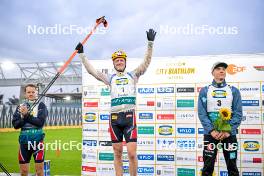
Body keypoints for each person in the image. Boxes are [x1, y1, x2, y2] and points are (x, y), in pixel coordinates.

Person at [76, 29, 156, 176]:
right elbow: (92, 71)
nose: (119, 62)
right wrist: (82, 55)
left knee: (132, 154)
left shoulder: (133, 75)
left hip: (129, 118)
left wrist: (150, 44)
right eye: (117, 60)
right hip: (114, 120)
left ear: (125, 62)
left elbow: (146, 62)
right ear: (114, 63)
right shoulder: (110, 78)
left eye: (122, 60)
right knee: (117, 153)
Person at [198, 62, 242, 176]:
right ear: (212, 73)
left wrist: (228, 130)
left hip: (229, 134)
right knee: (207, 167)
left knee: (232, 166)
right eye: (218, 69)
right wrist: (211, 130)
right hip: (211, 134)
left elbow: (238, 113)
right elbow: (202, 113)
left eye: (223, 69)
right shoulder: (205, 90)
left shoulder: (234, 90)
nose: (222, 71)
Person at [12, 84, 48, 176]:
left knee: (39, 172)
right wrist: (25, 117)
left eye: (33, 92)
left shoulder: (41, 105)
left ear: (37, 93)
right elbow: (16, 125)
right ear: (25, 94)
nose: (31, 94)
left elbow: (40, 122)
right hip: (24, 143)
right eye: (29, 92)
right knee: (23, 172)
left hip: (38, 142)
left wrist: (26, 115)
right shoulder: (20, 106)